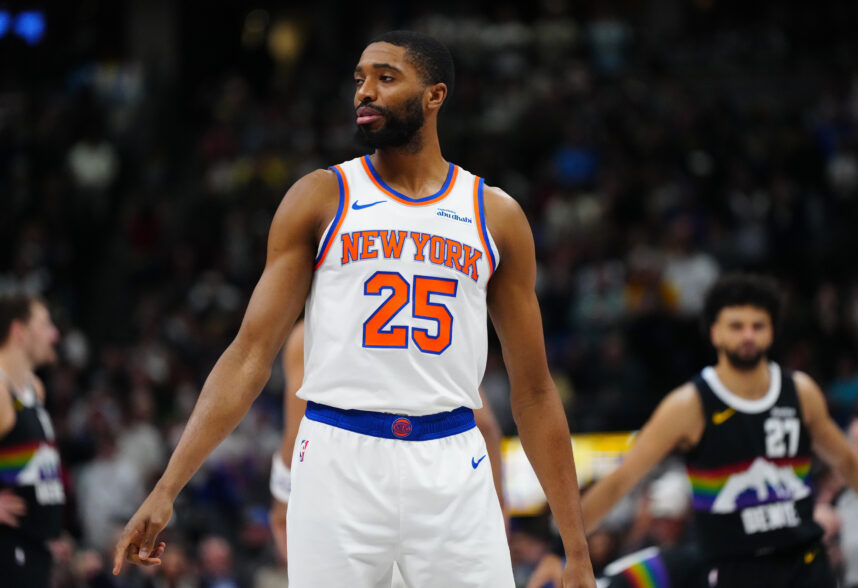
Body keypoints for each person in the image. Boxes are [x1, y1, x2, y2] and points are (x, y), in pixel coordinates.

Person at [113, 30, 595, 588]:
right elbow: (248, 356)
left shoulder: (495, 215)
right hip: (336, 457)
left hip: (451, 461)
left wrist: (575, 548)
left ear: (435, 96)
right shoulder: (321, 197)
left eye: (386, 78)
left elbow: (534, 391)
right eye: (360, 79)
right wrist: (167, 487)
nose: (365, 91)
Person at [530, 273, 858, 588]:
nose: (748, 335)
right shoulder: (689, 404)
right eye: (736, 326)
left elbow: (846, 462)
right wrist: (560, 550)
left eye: (758, 326)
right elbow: (620, 481)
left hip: (804, 565)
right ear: (715, 332)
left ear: (772, 332)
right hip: (734, 570)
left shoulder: (800, 392)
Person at [268, 319, 508, 565]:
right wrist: (497, 505)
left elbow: (298, 436)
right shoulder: (437, 320)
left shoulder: (317, 329)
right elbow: (484, 426)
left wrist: (282, 499)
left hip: (351, 499)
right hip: (438, 495)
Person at [0, 294, 65, 588]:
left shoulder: (34, 389)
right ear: (19, 331)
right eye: (45, 324)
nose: (55, 334)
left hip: (34, 550)